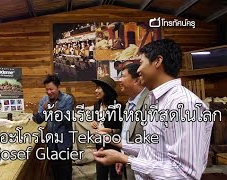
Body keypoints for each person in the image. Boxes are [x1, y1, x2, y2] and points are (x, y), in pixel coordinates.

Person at [93, 39, 213, 179]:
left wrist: (127, 159)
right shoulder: (158, 101)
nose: (138, 70)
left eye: (141, 63)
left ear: (157, 61)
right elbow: (153, 151)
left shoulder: (183, 104)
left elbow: (184, 173)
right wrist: (117, 145)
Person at [33, 74, 74, 180]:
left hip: (64, 143)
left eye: (51, 89)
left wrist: (55, 111)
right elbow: (39, 120)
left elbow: (68, 120)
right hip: (51, 145)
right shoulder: (44, 100)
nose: (49, 92)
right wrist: (35, 113)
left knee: (65, 173)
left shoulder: (67, 99)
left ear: (58, 87)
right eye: (47, 89)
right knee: (55, 172)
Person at [116, 63, 149, 180]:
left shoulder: (150, 101)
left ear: (136, 81)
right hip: (127, 164)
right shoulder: (130, 102)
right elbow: (125, 133)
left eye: (123, 76)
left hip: (143, 170)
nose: (119, 80)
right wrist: (121, 156)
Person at [90, 75, 123, 180]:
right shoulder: (96, 105)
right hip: (99, 146)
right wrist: (94, 123)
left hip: (114, 148)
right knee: (100, 176)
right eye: (96, 87)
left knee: (115, 176)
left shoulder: (119, 107)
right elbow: (98, 123)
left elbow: (123, 130)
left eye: (99, 88)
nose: (96, 90)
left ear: (107, 90)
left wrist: (109, 130)